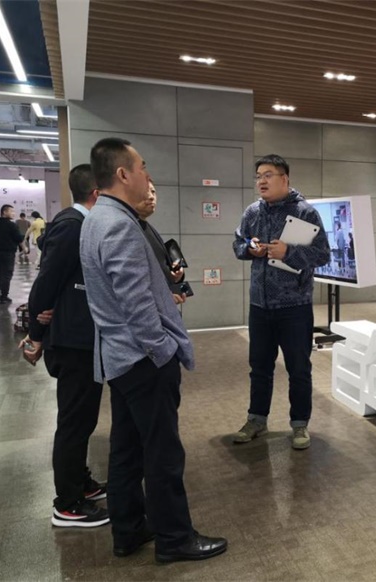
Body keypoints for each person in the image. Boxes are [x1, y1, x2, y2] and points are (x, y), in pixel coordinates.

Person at [80, 137, 227, 563]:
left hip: (119, 358)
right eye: (142, 167)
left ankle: (129, 530)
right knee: (163, 453)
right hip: (142, 359)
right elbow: (136, 302)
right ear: (123, 173)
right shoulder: (119, 225)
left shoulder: (98, 217)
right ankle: (175, 539)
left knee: (127, 450)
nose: (148, 175)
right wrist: (162, 349)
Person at [19, 164, 109, 528]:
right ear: (97, 193)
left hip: (82, 336)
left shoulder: (81, 225)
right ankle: (68, 503)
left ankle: (80, 482)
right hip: (73, 342)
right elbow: (47, 281)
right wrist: (36, 334)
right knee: (74, 420)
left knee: (83, 418)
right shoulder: (73, 226)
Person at [232, 154, 330, 450]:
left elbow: (323, 255)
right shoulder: (252, 212)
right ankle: (256, 420)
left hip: (294, 307)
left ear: (284, 179)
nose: (261, 181)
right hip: (259, 306)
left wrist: (288, 252)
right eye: (258, 176)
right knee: (259, 367)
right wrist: (250, 249)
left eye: (268, 175)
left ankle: (299, 424)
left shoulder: (305, 213)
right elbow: (238, 244)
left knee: (298, 368)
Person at [134, 181, 187, 305]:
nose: (151, 196)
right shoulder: (129, 230)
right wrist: (160, 299)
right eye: (145, 192)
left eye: (153, 192)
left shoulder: (149, 228)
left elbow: (157, 269)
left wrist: (175, 276)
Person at [0, 204, 25, 303]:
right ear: (4, 212)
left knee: (0, 272)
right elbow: (19, 239)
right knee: (6, 274)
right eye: (11, 211)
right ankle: (4, 296)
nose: (14, 213)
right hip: (8, 253)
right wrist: (25, 248)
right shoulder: (11, 225)